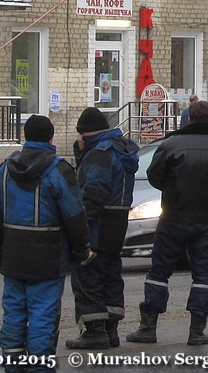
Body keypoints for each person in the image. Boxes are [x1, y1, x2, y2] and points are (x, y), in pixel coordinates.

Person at [126, 100, 208, 347]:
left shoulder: (170, 144)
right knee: (202, 275)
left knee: (159, 272)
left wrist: (173, 189)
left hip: (173, 217)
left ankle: (148, 328)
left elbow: (154, 175)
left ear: (189, 118)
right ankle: (196, 331)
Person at [0, 114, 94, 373]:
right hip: (48, 257)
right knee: (43, 316)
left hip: (13, 256)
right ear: (51, 137)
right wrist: (82, 250)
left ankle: (12, 364)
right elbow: (74, 215)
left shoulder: (4, 170)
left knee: (13, 312)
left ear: (25, 137)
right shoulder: (58, 170)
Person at [65, 107, 139, 350]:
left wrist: (79, 229)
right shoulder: (120, 149)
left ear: (85, 134)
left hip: (97, 225)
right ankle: (111, 331)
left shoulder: (100, 152)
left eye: (79, 136)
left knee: (88, 275)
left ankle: (94, 332)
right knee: (110, 275)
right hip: (116, 225)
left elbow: (93, 193)